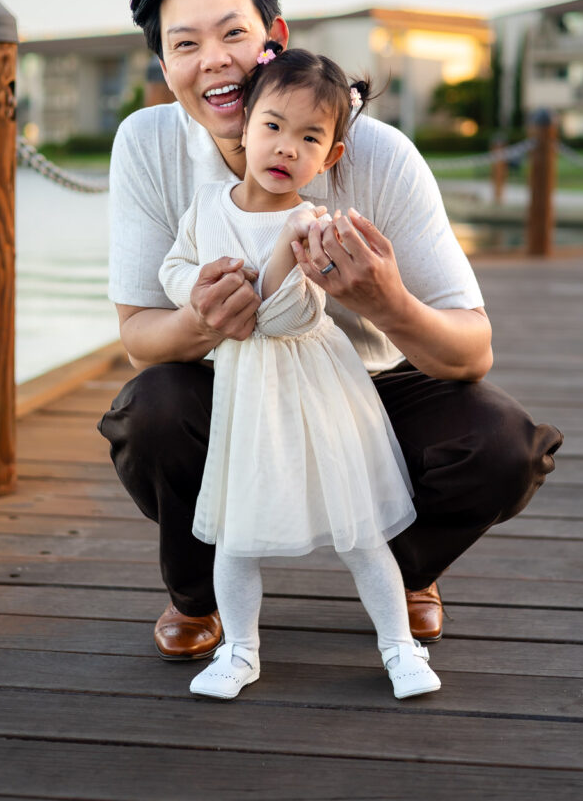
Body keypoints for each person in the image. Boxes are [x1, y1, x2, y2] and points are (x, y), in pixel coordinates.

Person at [98, 0, 563, 664]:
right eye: (184, 43)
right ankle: (198, 595)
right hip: (233, 379)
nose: (211, 59)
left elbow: (472, 349)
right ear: (165, 66)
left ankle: (409, 570)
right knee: (148, 410)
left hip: (372, 383)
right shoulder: (146, 144)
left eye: (232, 34)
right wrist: (200, 318)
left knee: (504, 445)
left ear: (272, 42)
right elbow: (140, 337)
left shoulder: (376, 154)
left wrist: (386, 302)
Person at [158, 45, 441, 699]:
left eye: (308, 136)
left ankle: (398, 648)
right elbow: (173, 269)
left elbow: (283, 307)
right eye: (273, 127)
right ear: (245, 126)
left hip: (315, 380)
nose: (286, 148)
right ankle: (239, 650)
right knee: (235, 529)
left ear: (330, 156)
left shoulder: (314, 223)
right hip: (245, 384)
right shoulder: (206, 206)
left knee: (358, 525)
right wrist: (197, 285)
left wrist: (303, 264)